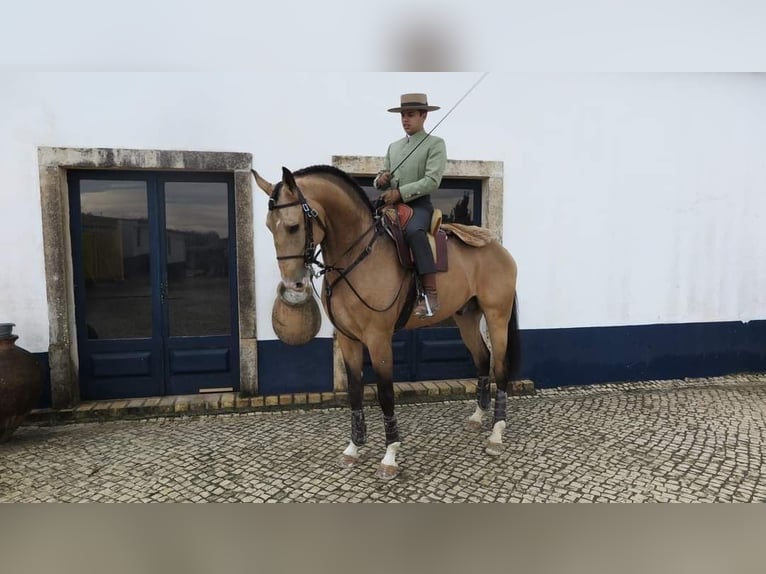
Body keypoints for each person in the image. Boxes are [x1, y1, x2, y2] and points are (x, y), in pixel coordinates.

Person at [374, 93, 447, 318]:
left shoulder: (435, 144)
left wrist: (401, 193)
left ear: (424, 116)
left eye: (411, 115)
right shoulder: (393, 147)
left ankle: (430, 295)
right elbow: (378, 178)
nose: (406, 119)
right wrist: (381, 181)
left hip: (418, 206)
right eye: (403, 115)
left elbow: (432, 180)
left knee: (415, 232)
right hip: (391, 206)